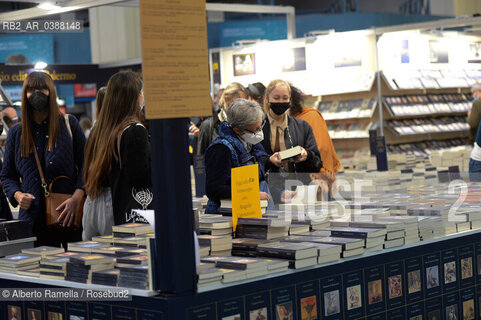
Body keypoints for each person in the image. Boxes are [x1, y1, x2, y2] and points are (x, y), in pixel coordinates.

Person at [0, 71, 86, 247]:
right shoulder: (17, 133)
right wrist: (17, 194)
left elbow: (88, 165)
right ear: (25, 94)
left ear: (51, 92)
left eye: (42, 89)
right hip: (31, 222)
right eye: (31, 90)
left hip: (67, 217)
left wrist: (77, 197)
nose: (36, 94)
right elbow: (7, 175)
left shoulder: (69, 125)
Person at [83, 71, 152, 240]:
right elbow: (138, 176)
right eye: (140, 92)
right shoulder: (135, 130)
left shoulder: (98, 129)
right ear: (133, 97)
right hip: (117, 206)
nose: (142, 96)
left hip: (92, 203)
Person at [204, 98, 272, 214]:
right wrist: (250, 194)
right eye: (255, 130)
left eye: (261, 126)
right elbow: (214, 189)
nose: (260, 132)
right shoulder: (221, 149)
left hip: (249, 211)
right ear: (238, 130)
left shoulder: (251, 144)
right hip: (225, 216)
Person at [261, 79, 322, 203]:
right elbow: (251, 163)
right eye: (276, 98)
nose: (281, 102)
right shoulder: (258, 126)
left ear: (290, 100)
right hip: (269, 192)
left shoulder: (302, 127)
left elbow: (317, 163)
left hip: (298, 192)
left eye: (285, 98)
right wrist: (268, 161)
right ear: (268, 98)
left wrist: (306, 155)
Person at [289, 84, 341, 197]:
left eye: (285, 98)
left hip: (316, 176)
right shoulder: (278, 121)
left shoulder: (310, 116)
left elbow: (321, 148)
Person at [197, 82, 248, 155]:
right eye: (239, 101)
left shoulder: (246, 125)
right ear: (227, 99)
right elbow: (200, 161)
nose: (243, 106)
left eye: (245, 102)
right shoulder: (208, 125)